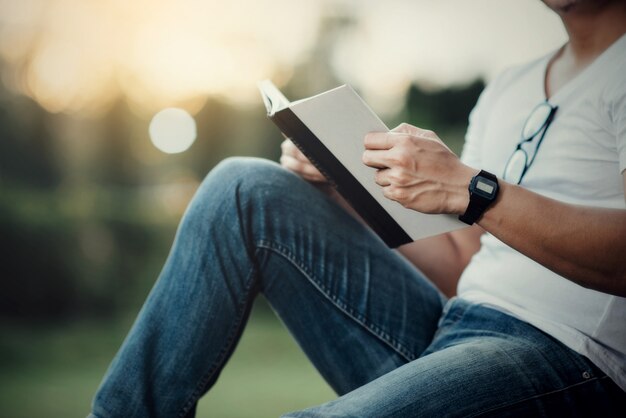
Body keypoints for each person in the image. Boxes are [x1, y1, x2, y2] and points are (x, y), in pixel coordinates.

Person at [89, 0, 626, 416]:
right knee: (244, 186)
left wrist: (470, 188)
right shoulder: (510, 86)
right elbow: (464, 265)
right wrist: (346, 185)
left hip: (571, 361)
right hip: (453, 331)